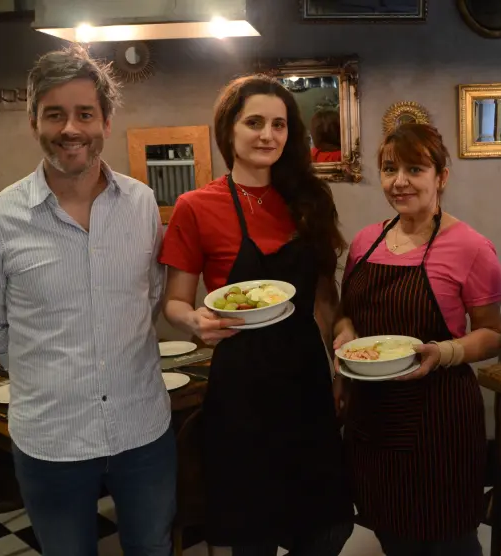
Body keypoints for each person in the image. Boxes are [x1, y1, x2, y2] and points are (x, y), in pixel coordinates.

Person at [0, 46, 175, 556]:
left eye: (84, 113)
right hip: (52, 438)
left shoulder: (142, 204)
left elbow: (150, 293)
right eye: (54, 114)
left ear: (106, 119)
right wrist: (51, 373)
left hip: (142, 427)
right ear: (33, 120)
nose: (70, 128)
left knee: (152, 549)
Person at [159, 74, 354, 555]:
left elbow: (324, 295)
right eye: (254, 122)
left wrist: (339, 352)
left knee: (326, 529)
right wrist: (194, 322)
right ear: (229, 130)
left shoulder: (308, 199)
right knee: (253, 534)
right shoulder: (195, 207)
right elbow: (175, 303)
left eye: (279, 125)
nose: (268, 135)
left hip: (306, 377)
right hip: (242, 387)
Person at [333, 123, 501, 555]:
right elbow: (345, 314)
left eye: (415, 168)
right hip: (371, 413)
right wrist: (345, 333)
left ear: (441, 177)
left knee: (447, 540)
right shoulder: (364, 242)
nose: (400, 181)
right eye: (390, 169)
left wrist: (445, 351)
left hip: (439, 419)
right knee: (391, 532)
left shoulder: (471, 247)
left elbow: (494, 335)